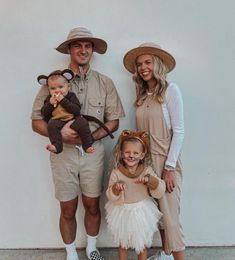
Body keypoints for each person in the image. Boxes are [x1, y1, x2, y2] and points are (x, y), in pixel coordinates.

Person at [31, 27, 125, 260]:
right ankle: (71, 253)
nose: (83, 50)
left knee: (93, 204)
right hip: (62, 155)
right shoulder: (52, 82)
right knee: (67, 208)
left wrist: (90, 138)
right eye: (77, 45)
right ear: (70, 50)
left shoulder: (105, 83)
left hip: (93, 153)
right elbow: (36, 122)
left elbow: (113, 121)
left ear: (92, 50)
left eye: (87, 46)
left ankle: (92, 249)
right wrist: (60, 135)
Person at [123, 43, 185, 260]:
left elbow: (179, 131)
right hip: (145, 164)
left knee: (170, 218)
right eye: (139, 64)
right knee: (157, 215)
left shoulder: (171, 91)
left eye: (147, 62)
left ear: (157, 64)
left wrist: (169, 168)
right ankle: (166, 255)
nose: (142, 67)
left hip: (165, 162)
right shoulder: (141, 95)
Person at [105, 130, 166, 260]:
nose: (131, 156)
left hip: (142, 211)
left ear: (142, 155)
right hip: (122, 212)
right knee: (123, 245)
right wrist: (116, 189)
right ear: (121, 154)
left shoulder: (146, 171)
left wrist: (151, 181)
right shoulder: (117, 173)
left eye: (135, 153)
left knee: (141, 245)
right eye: (127, 152)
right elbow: (110, 195)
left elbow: (160, 190)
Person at [39, 69, 95, 154]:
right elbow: (44, 113)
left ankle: (87, 145)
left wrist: (63, 100)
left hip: (72, 119)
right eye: (53, 88)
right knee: (51, 124)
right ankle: (56, 146)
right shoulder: (49, 99)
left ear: (68, 87)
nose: (57, 90)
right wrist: (50, 104)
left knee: (82, 122)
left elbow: (76, 110)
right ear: (48, 90)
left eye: (61, 87)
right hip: (58, 120)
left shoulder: (71, 96)